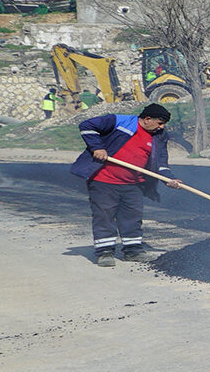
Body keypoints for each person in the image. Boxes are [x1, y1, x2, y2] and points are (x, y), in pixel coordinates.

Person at [70, 104, 180, 266]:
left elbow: (161, 162)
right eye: (160, 123)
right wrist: (97, 147)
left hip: (134, 184)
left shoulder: (159, 136)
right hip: (104, 181)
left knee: (133, 217)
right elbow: (87, 125)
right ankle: (105, 252)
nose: (162, 127)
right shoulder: (120, 121)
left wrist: (169, 178)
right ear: (147, 119)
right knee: (104, 215)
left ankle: (133, 250)